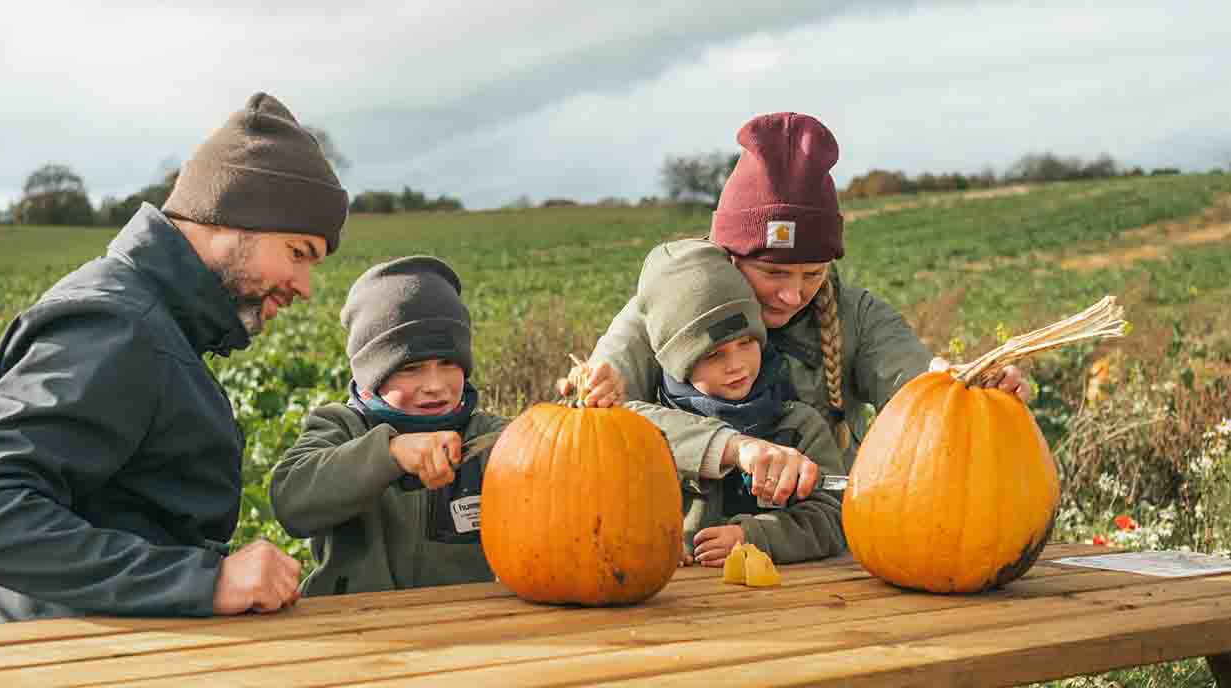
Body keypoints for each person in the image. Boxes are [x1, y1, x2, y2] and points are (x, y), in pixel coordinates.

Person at [0, 92, 348, 624]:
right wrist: (206, 581)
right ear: (228, 219)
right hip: (55, 669)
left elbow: (123, 518)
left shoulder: (155, 325)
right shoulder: (117, 326)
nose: (304, 286)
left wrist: (210, 573)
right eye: (298, 254)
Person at [575, 112, 1029, 490]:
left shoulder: (858, 316)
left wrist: (970, 386)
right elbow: (601, 421)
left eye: (813, 274)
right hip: (686, 551)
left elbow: (916, 383)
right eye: (773, 273)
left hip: (821, 544)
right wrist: (731, 447)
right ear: (729, 257)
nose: (793, 294)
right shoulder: (665, 309)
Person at [270, 256, 506, 596]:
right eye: (412, 368)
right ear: (371, 376)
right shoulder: (341, 426)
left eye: (448, 364)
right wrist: (390, 453)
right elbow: (290, 500)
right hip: (351, 626)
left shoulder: (488, 438)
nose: (434, 384)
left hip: (461, 624)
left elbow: (558, 470)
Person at [621, 239, 845, 567]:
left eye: (746, 343)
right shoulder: (648, 435)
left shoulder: (799, 426)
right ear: (678, 363)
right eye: (713, 355)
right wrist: (652, 545)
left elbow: (831, 518)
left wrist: (756, 536)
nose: (737, 364)